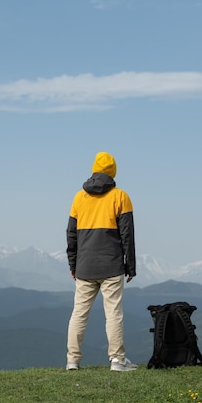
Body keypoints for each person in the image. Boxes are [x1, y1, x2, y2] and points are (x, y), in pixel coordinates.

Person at [65, 151, 137, 372]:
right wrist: (130, 266)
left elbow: (71, 233)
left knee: (79, 313)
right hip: (111, 265)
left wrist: (73, 264)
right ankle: (117, 360)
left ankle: (72, 361)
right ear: (113, 171)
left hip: (85, 266)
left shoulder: (79, 197)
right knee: (113, 313)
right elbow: (127, 235)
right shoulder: (120, 197)